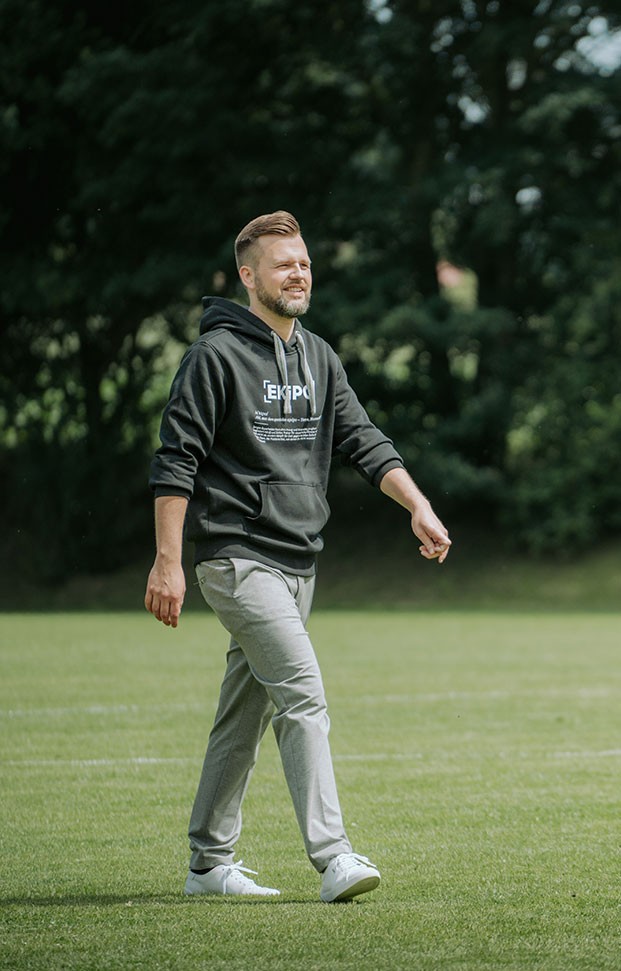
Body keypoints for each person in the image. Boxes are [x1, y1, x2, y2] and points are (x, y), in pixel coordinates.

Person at [144, 211, 451, 903]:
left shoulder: (317, 356)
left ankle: (206, 864)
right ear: (248, 277)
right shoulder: (214, 357)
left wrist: (417, 504)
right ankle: (333, 854)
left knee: (243, 712)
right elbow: (176, 462)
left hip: (296, 562)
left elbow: (363, 439)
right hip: (236, 557)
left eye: (305, 262)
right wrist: (167, 561)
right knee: (303, 694)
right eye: (284, 264)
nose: (300, 273)